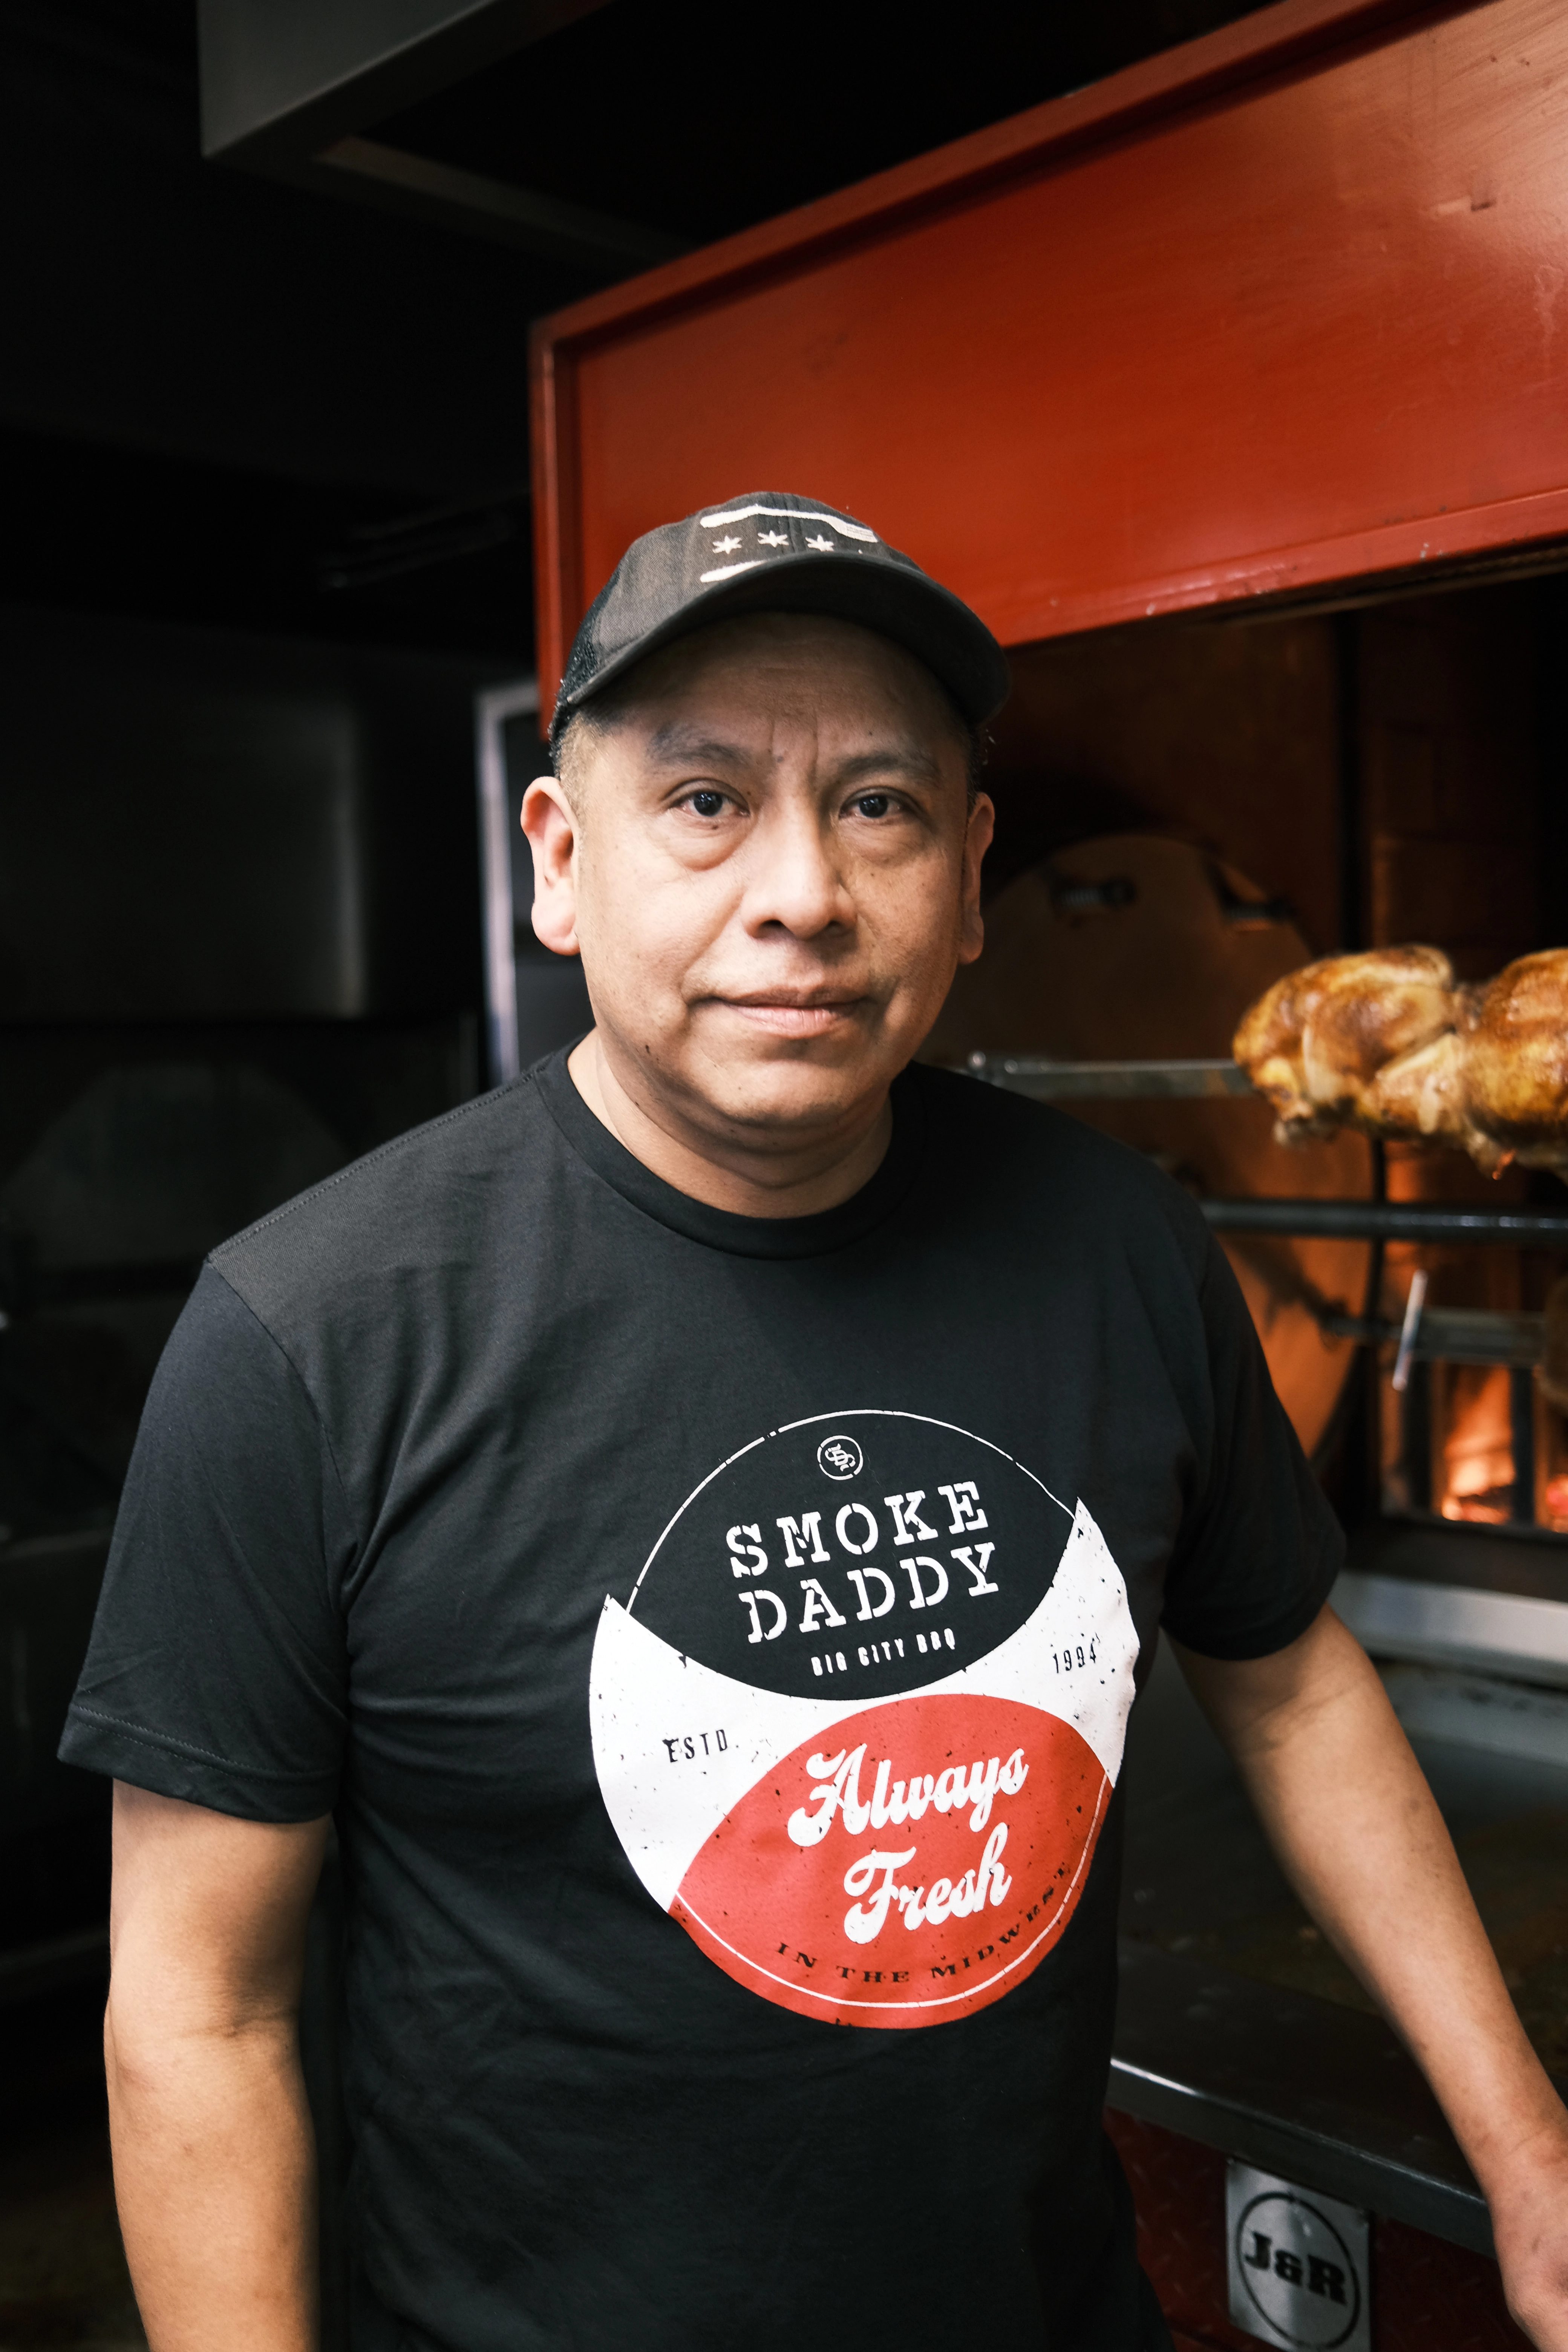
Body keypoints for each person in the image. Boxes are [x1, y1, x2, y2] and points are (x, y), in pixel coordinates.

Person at [64, 493, 1568, 2352]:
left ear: (967, 868)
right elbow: (200, 2012)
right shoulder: (308, 1335)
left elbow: (1290, 1683)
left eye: (878, 804)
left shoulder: (1120, 1244)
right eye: (704, 802)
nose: (801, 891)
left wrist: (1526, 2147)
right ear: (557, 858)